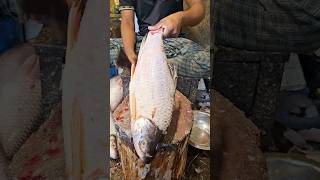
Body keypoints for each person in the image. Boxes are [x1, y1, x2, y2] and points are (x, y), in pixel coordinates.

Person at [116, 0, 210, 79]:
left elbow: (198, 8)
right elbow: (127, 22)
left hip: (173, 43)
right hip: (143, 41)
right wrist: (130, 55)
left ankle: (156, 67)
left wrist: (180, 17)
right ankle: (157, 67)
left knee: (208, 64)